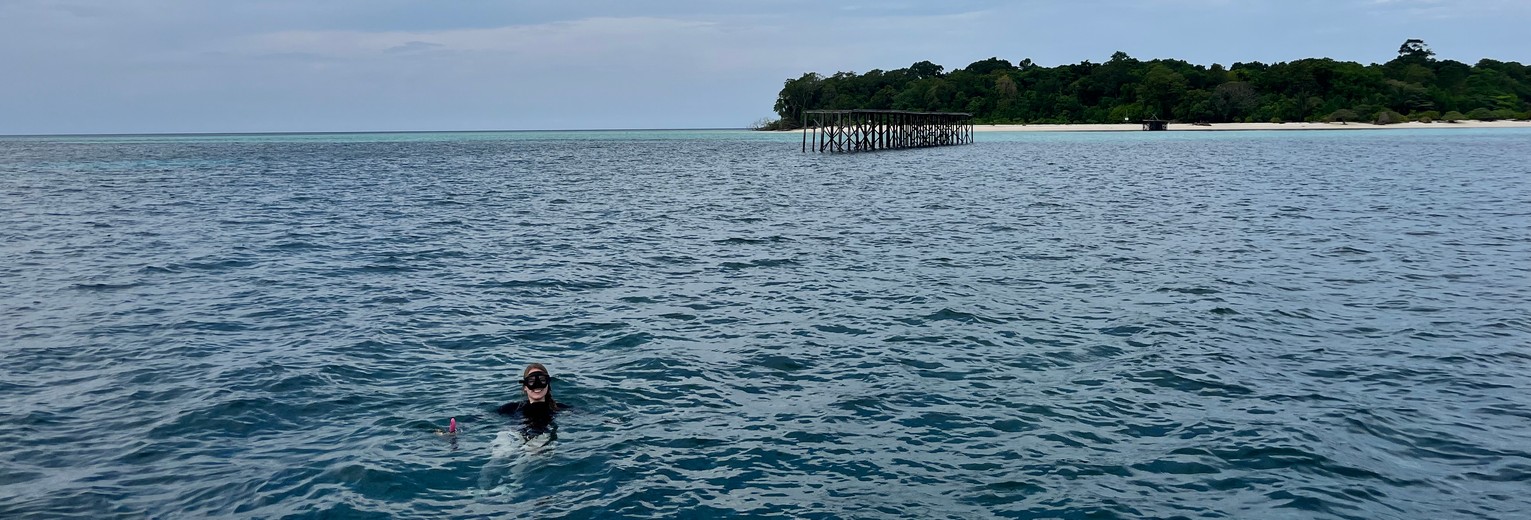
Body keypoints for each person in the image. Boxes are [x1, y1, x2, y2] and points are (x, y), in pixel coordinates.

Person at [497, 363, 566, 441]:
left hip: (543, 436)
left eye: (542, 380)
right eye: (531, 381)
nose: (537, 385)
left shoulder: (560, 409)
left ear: (547, 384)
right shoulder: (510, 408)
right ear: (525, 387)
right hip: (514, 434)